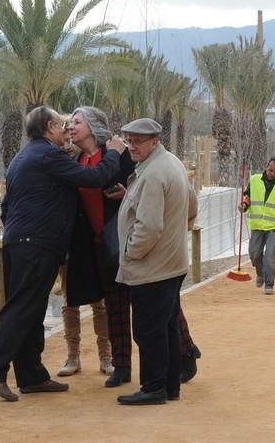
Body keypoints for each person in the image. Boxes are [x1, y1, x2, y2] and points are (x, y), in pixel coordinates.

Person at [0, 105, 126, 402]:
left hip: (22, 241)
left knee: (29, 307)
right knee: (22, 307)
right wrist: (115, 153)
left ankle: (31, 375)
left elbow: (7, 207)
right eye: (62, 123)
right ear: (49, 126)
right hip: (36, 243)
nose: (67, 128)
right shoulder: (48, 155)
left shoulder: (24, 156)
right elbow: (95, 178)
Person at [115, 118, 197, 406]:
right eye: (129, 140)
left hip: (152, 267)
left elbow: (148, 228)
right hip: (171, 263)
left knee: (149, 330)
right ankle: (169, 385)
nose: (132, 146)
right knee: (166, 327)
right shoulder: (171, 162)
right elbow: (192, 204)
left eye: (139, 141)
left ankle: (153, 387)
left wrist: (129, 253)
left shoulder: (152, 174)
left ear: (154, 141)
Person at [56, 106, 135, 384]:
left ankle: (107, 357)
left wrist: (127, 194)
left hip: (114, 243)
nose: (71, 127)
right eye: (69, 123)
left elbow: (137, 185)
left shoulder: (117, 153)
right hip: (80, 242)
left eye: (77, 122)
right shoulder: (72, 159)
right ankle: (72, 357)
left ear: (93, 126)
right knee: (70, 298)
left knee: (106, 302)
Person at [239, 157, 275, 295]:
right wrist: (243, 205)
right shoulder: (255, 180)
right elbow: (247, 196)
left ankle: (269, 284)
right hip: (257, 225)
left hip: (272, 226)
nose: (272, 174)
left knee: (270, 256)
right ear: (266, 166)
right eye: (270, 170)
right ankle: (261, 274)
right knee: (254, 254)